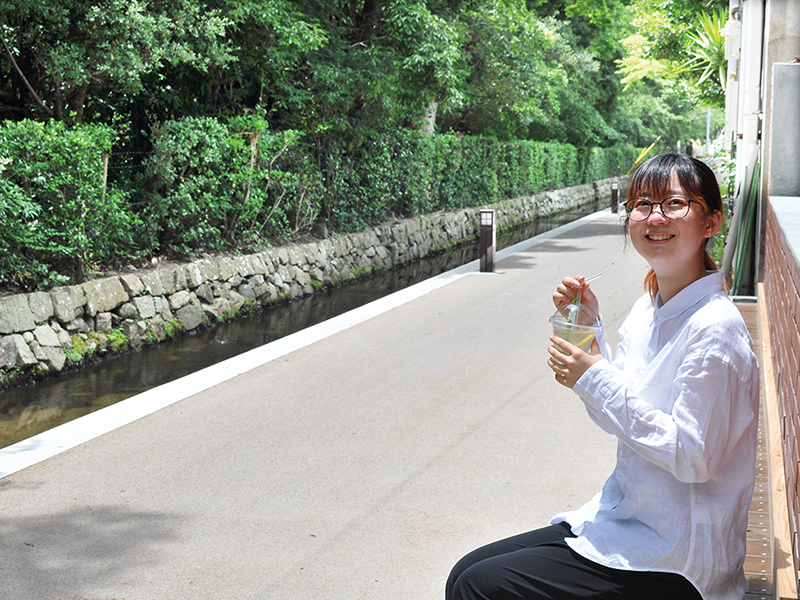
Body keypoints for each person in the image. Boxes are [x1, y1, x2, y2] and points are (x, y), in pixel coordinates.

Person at [445, 152, 760, 600]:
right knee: (465, 571)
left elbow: (694, 457)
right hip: (630, 520)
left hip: (678, 555)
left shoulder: (715, 329)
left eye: (674, 203)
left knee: (481, 586)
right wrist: (589, 331)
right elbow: (621, 412)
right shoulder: (649, 308)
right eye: (641, 205)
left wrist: (592, 378)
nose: (655, 217)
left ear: (711, 222)